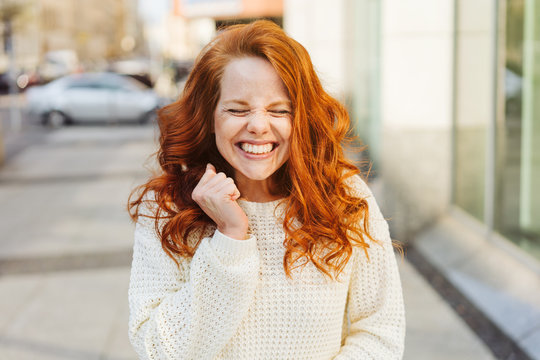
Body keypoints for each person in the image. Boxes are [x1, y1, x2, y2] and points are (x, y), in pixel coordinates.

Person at [127, 20, 405, 359]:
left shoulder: (344, 198)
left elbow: (380, 331)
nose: (258, 126)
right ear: (209, 116)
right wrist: (230, 239)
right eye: (237, 109)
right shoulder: (167, 207)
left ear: (300, 118)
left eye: (279, 110)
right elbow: (158, 350)